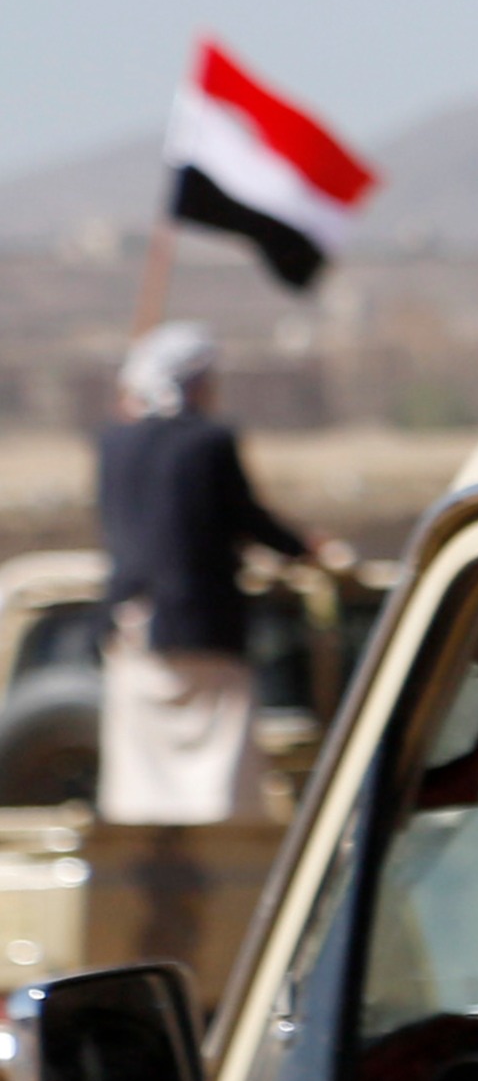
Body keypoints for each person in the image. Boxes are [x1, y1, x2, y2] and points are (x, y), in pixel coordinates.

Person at [92, 322, 348, 826]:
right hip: (200, 625)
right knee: (219, 778)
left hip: (130, 626)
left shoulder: (112, 444)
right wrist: (308, 548)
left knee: (141, 778)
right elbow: (245, 518)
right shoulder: (208, 443)